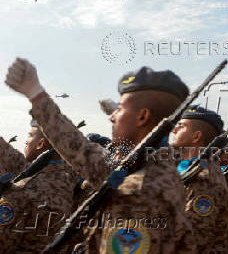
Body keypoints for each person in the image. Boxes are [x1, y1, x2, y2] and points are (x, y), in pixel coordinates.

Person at [5, 59, 196, 253]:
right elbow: (82, 151)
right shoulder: (148, 165)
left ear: (142, 117)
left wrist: (36, 94)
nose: (112, 117)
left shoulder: (138, 191)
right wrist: (35, 93)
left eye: (119, 110)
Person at [0, 120, 76, 252]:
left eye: (30, 135)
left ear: (40, 144)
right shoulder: (69, 182)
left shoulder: (23, 190)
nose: (26, 141)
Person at [171, 105, 228, 253]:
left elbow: (193, 240)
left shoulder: (202, 179)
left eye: (181, 126)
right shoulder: (189, 168)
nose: (174, 130)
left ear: (196, 136)